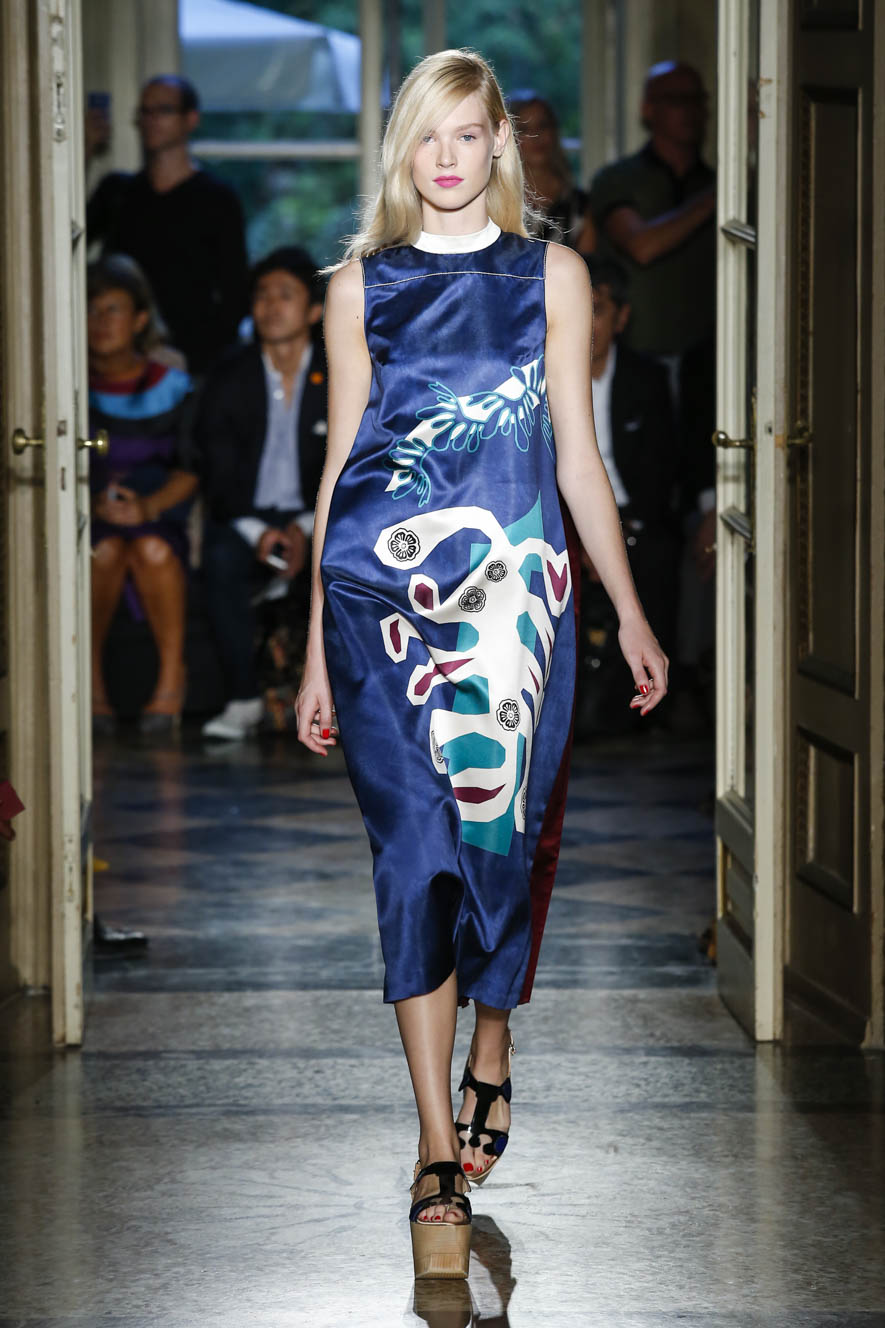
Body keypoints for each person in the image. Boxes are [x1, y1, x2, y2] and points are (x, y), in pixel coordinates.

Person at [294, 49, 668, 1280]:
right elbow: (339, 468)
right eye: (426, 135)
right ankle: (435, 1149)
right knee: (414, 857)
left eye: (468, 134)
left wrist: (630, 610)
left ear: (501, 142)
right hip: (378, 607)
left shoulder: (552, 275)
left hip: (520, 609)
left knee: (501, 855)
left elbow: (577, 457)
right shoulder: (359, 286)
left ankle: (491, 1042)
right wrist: (315, 649)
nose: (447, 158)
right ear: (400, 151)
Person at [194, 248, 327, 741]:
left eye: (285, 295)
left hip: (318, 514)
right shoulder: (230, 374)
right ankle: (244, 699)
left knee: (350, 557)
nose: (271, 306)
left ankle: (341, 701)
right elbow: (215, 467)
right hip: (245, 516)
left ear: (314, 310)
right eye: (262, 295)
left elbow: (357, 462)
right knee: (220, 558)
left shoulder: (338, 371)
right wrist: (260, 534)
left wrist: (305, 529)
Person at [88, 255, 198, 734]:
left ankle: (172, 681)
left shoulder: (172, 385)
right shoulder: (67, 385)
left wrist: (147, 507)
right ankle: (91, 688)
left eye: (112, 310)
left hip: (158, 514)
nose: (99, 321)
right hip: (87, 517)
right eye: (91, 310)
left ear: (138, 320)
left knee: (152, 550)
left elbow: (192, 469)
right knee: (103, 552)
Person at [577, 255, 679, 733]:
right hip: (567, 520)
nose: (586, 322)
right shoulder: (544, 377)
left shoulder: (646, 379)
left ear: (621, 317)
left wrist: (613, 535)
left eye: (596, 309)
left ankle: (647, 711)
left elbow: (663, 472)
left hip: (634, 518)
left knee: (659, 556)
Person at [87, 75, 248, 375]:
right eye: (144, 111)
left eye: (163, 110)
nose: (151, 120)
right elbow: (65, 244)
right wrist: (84, 150)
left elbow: (234, 294)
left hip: (190, 364)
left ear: (191, 119)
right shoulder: (118, 192)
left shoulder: (217, 199)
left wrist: (198, 361)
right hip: (119, 361)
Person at [508, 93, 594, 250]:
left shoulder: (580, 205)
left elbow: (588, 259)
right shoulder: (495, 201)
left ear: (554, 132)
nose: (536, 136)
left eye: (543, 126)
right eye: (523, 129)